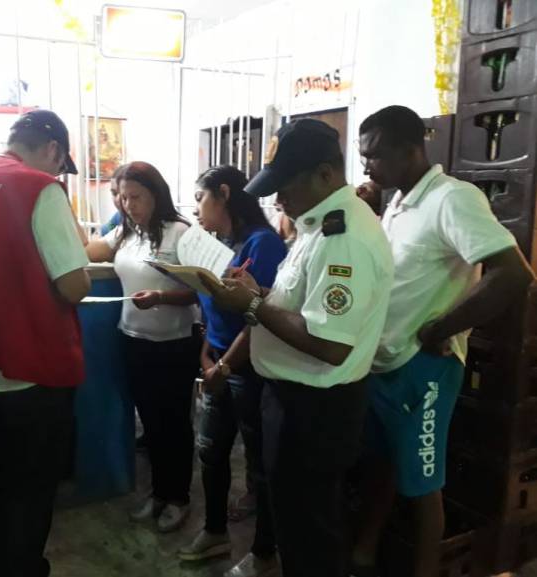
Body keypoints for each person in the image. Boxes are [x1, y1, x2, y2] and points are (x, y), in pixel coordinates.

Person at [201, 119, 394, 577]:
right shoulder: (317, 227)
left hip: (314, 410)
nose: (278, 200)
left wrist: (251, 304)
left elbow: (329, 344)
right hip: (292, 402)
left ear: (325, 174)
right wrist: (259, 293)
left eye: (285, 187)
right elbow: (301, 307)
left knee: (311, 535)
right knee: (296, 526)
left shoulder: (343, 239)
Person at [350, 105, 534, 577]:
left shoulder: (453, 198)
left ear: (412, 149)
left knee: (422, 483)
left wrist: (441, 328)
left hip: (423, 367)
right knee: (383, 465)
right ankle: (364, 552)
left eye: (376, 155)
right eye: (363, 155)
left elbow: (512, 274)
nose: (367, 165)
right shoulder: (398, 203)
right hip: (383, 362)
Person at [0, 108, 90, 577]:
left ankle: (3, 566)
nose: (57, 173)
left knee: (1, 482)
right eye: (60, 164)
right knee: (31, 492)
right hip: (31, 369)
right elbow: (75, 286)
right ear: (53, 150)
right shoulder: (38, 188)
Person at [176, 165, 286, 577]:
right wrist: (207, 354)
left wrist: (223, 366)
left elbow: (259, 317)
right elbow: (211, 306)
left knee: (260, 465)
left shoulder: (262, 244)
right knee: (211, 450)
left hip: (250, 366)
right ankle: (215, 531)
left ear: (223, 193)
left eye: (200, 198)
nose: (196, 208)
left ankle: (264, 552)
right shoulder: (218, 244)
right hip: (219, 360)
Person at [86, 161, 200, 533]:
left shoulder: (181, 232)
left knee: (175, 424)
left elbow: (206, 289)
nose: (128, 204)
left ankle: (178, 497)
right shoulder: (126, 232)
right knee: (150, 423)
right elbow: (90, 251)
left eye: (135, 196)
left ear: (156, 194)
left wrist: (163, 297)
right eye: (122, 197)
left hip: (174, 344)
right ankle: (158, 492)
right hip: (133, 340)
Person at [99, 165, 125, 236]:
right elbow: (105, 230)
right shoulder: (119, 216)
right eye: (114, 193)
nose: (118, 199)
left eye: (124, 194)